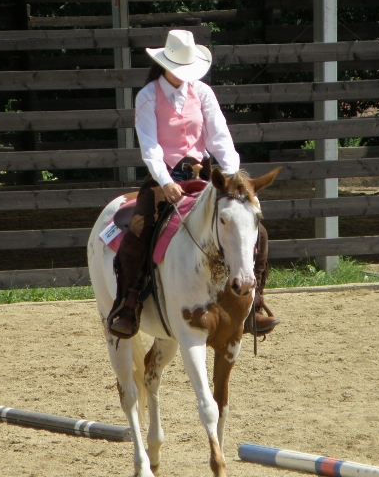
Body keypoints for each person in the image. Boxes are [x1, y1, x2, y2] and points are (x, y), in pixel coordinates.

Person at [107, 29, 280, 339]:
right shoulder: (147, 96)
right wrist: (165, 180)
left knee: (258, 231)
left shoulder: (202, 93)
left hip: (206, 177)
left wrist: (232, 179)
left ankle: (254, 304)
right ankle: (128, 303)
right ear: (165, 64)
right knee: (138, 230)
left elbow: (220, 138)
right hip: (164, 177)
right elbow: (150, 147)